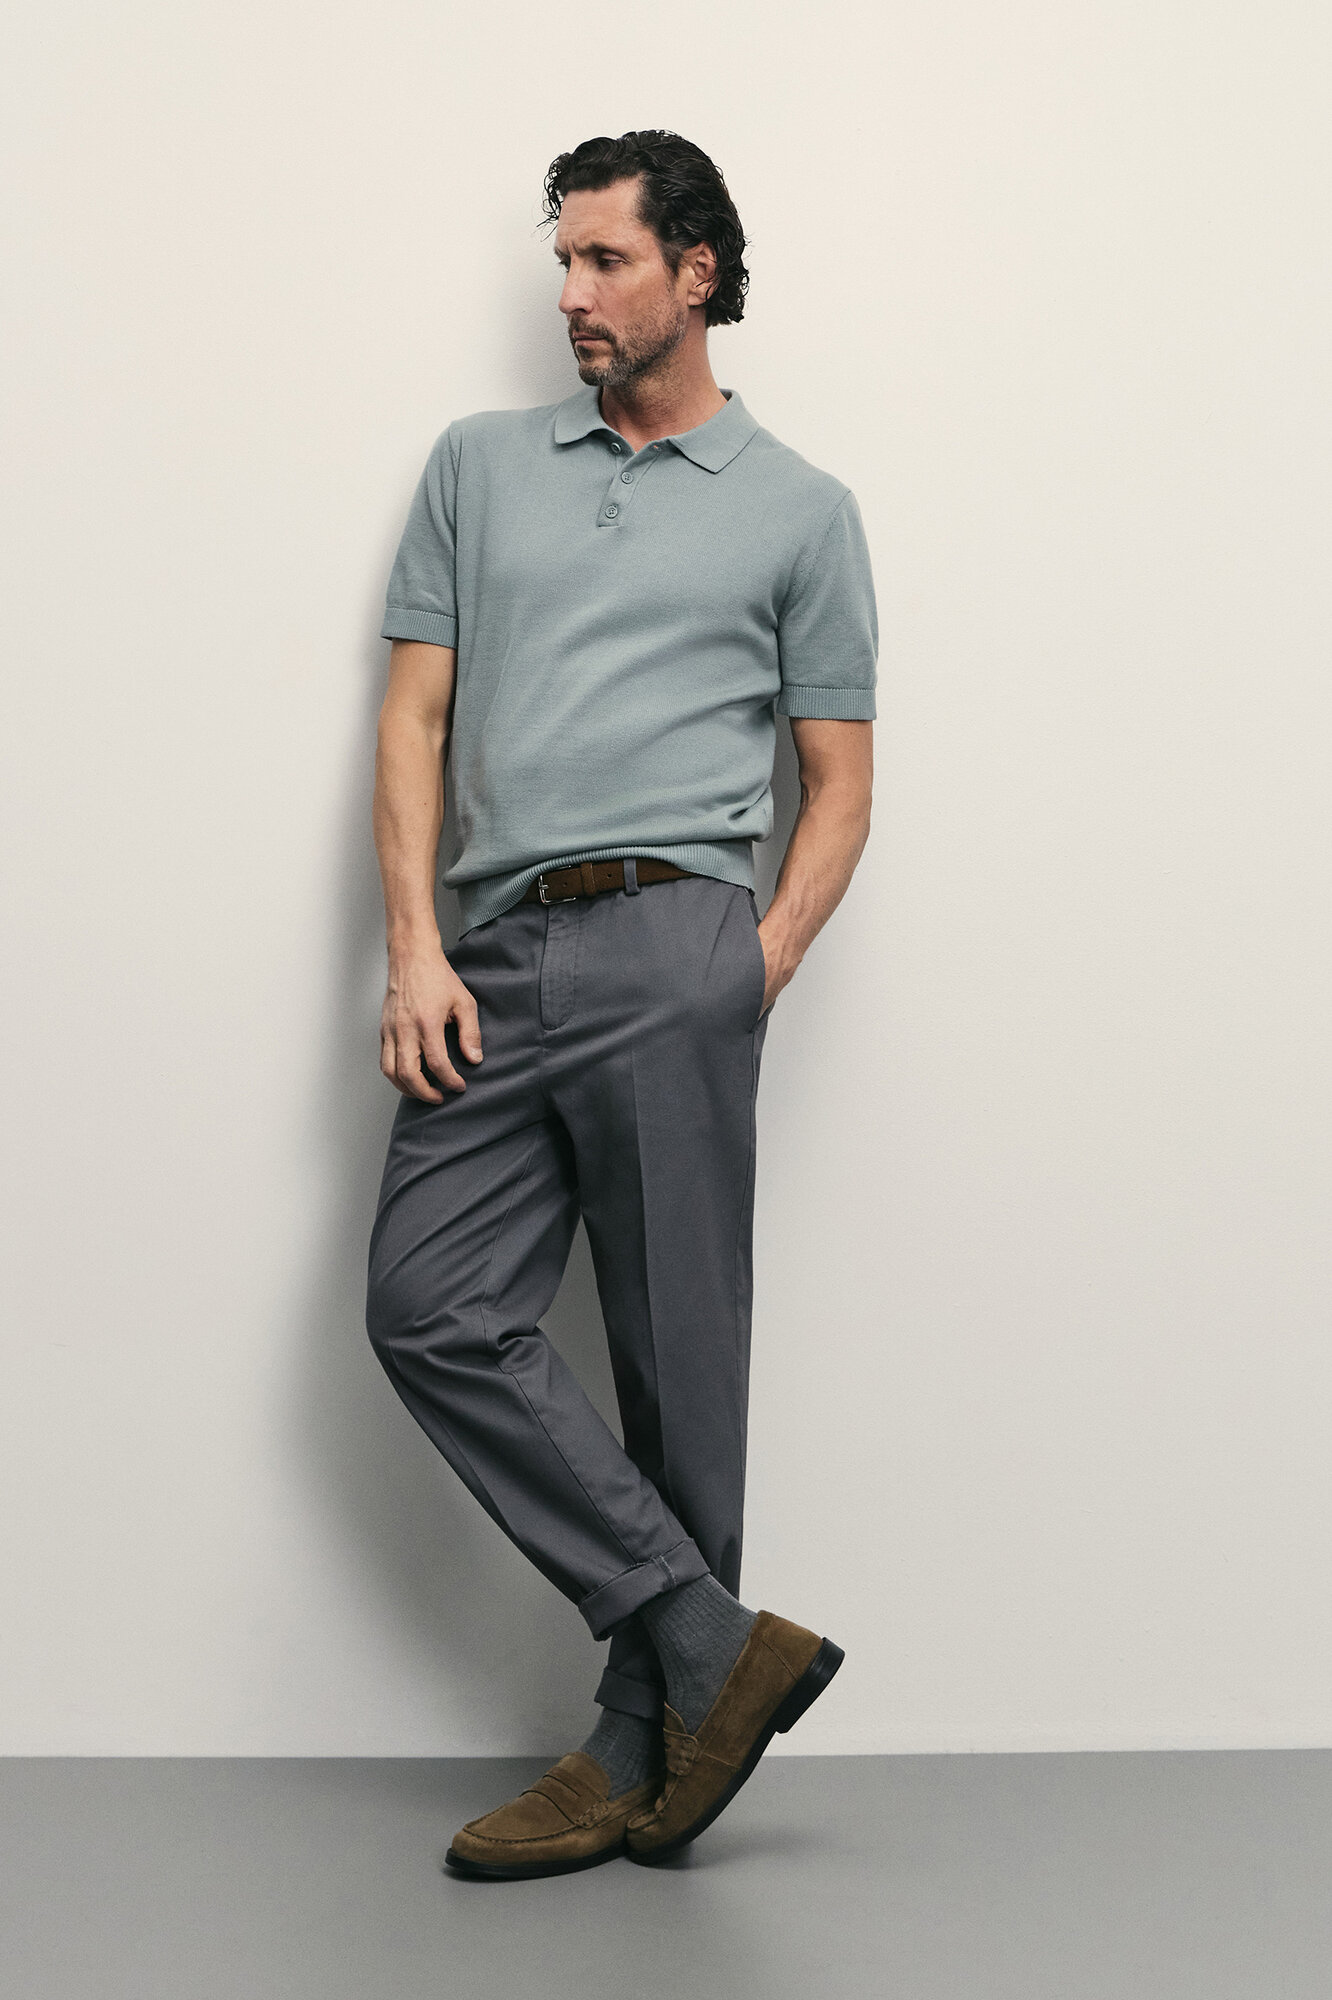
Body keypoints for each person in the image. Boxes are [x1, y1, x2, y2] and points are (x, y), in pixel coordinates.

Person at [365, 129, 877, 1879]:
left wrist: (757, 960)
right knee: (428, 1306)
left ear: (695, 274)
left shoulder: (802, 509)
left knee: (679, 1370)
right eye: (562, 263)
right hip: (491, 954)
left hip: (679, 943)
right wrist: (413, 946)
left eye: (605, 262)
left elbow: (840, 784)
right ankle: (711, 1644)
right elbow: (415, 718)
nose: (572, 295)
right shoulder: (478, 465)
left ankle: (637, 1744)